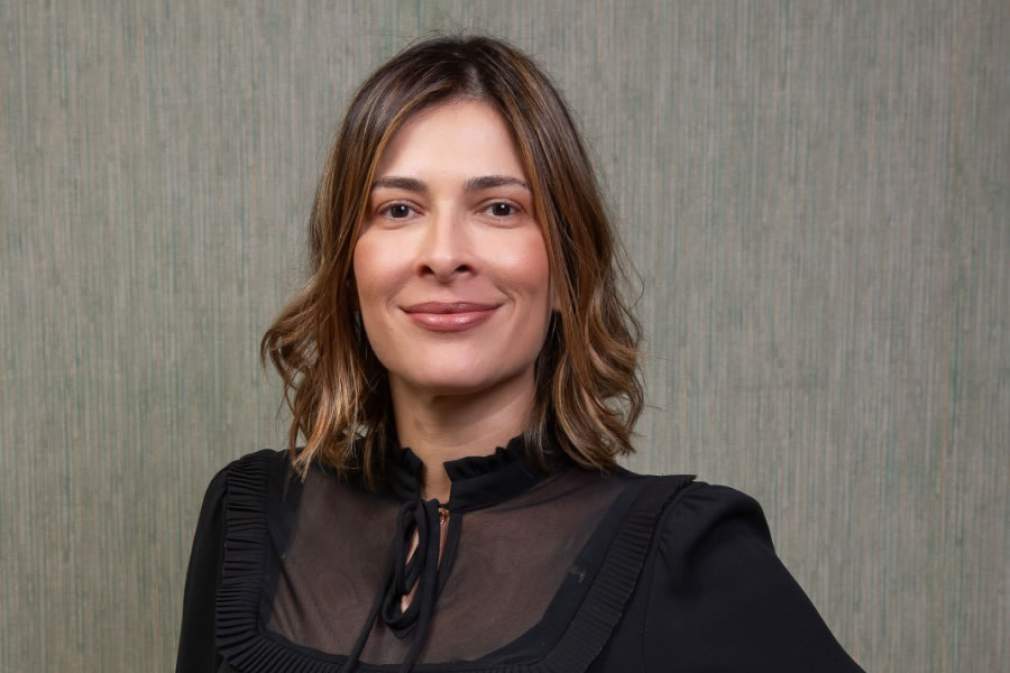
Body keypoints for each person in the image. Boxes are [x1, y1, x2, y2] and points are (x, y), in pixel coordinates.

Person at [174, 33, 865, 673]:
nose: (445, 254)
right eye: (398, 210)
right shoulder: (251, 518)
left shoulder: (684, 550)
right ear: (350, 271)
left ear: (566, 269)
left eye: (500, 208)